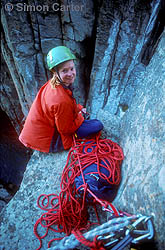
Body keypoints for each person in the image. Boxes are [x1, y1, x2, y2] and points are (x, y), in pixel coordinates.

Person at [19, 46, 103, 153]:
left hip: (37, 134)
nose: (70, 74)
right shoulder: (60, 99)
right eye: (65, 71)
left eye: (72, 69)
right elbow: (65, 129)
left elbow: (64, 109)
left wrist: (78, 109)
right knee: (97, 125)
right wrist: (80, 117)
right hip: (49, 141)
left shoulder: (51, 84)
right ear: (55, 72)